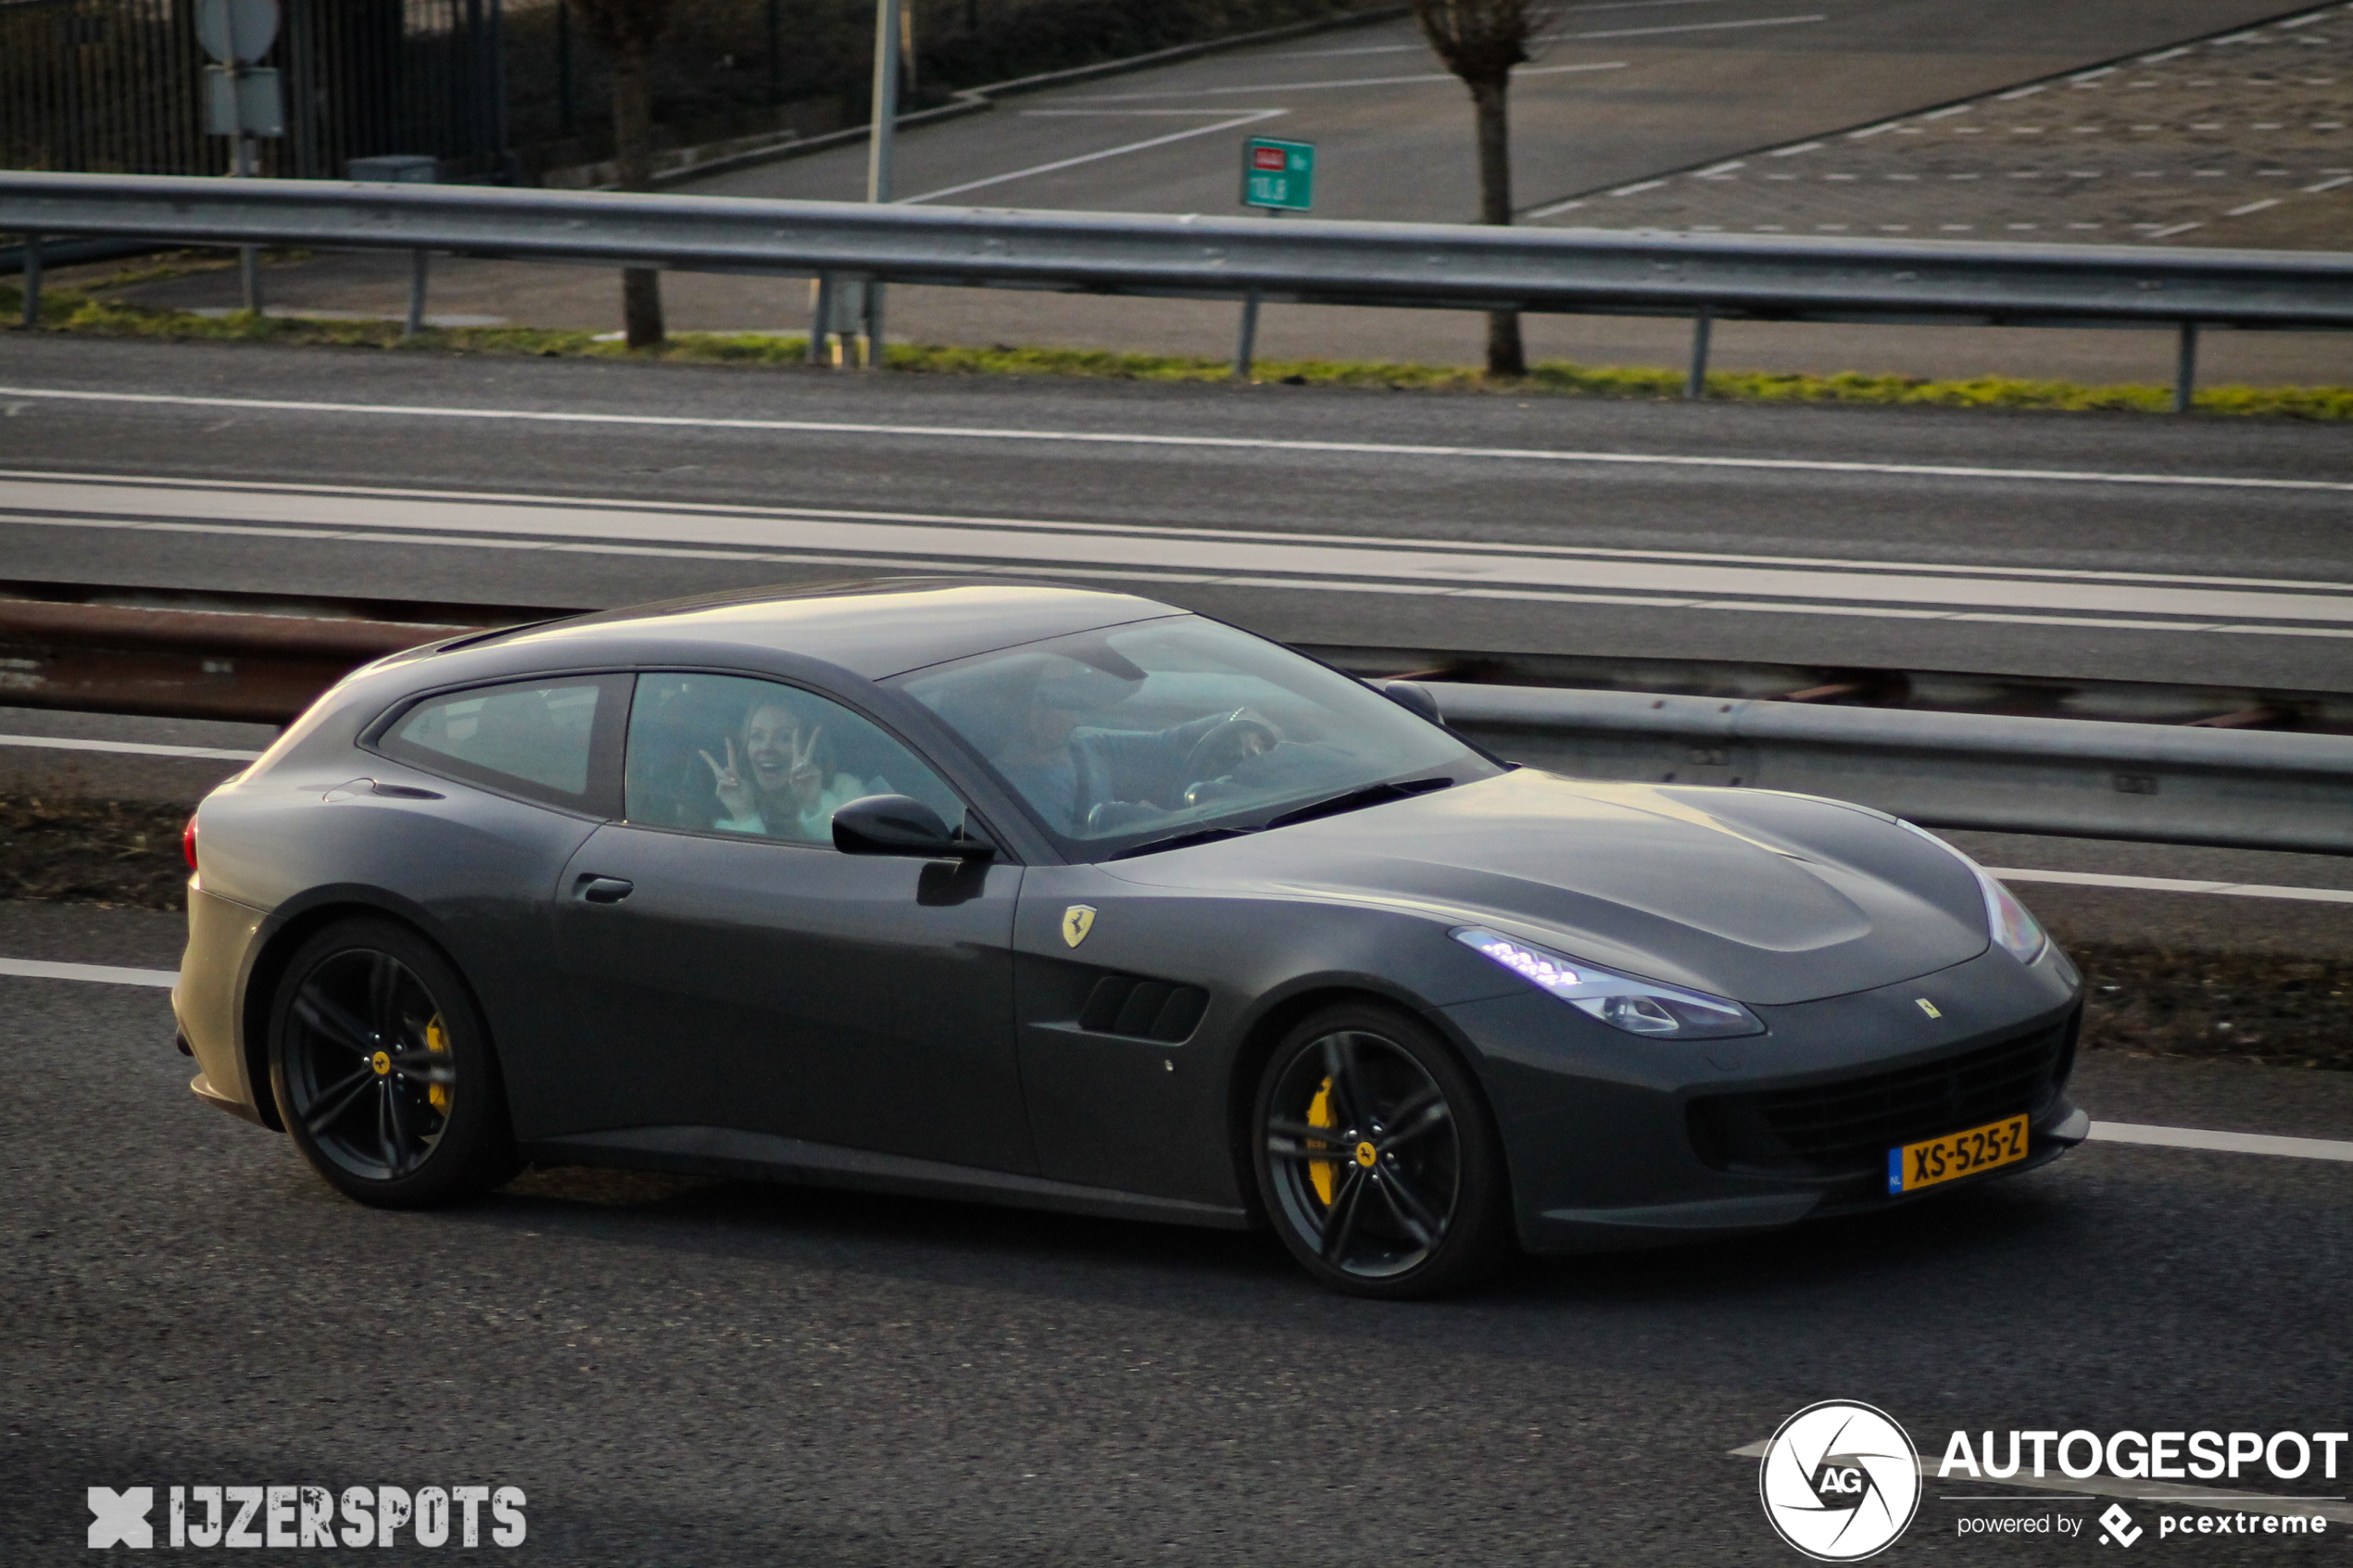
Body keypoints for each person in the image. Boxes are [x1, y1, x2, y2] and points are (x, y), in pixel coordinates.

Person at [698, 702, 872, 842]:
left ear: (807, 745)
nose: (766, 747)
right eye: (757, 736)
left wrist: (815, 805)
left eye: (784, 737)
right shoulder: (729, 802)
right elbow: (751, 879)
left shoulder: (845, 795)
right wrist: (745, 817)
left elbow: (860, 860)